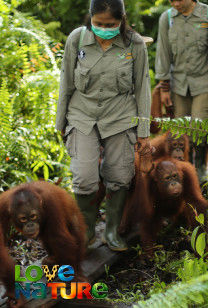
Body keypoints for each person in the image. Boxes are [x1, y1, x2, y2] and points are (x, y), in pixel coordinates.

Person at [56, 0, 151, 251]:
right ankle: (87, 229)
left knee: (120, 176)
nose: (104, 29)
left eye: (111, 24)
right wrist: (60, 123)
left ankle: (111, 231)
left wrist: (143, 132)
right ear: (90, 18)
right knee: (84, 177)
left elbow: (142, 88)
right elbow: (65, 81)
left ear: (122, 19)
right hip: (82, 115)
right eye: (99, 24)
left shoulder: (134, 43)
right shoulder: (77, 39)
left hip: (120, 116)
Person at [155, 0, 208, 180]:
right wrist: (164, 87)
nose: (175, 3)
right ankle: (185, 173)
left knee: (198, 129)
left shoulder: (206, 15)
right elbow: (163, 53)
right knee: (180, 134)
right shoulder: (167, 18)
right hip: (178, 84)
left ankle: (200, 171)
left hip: (204, 82)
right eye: (171, 0)